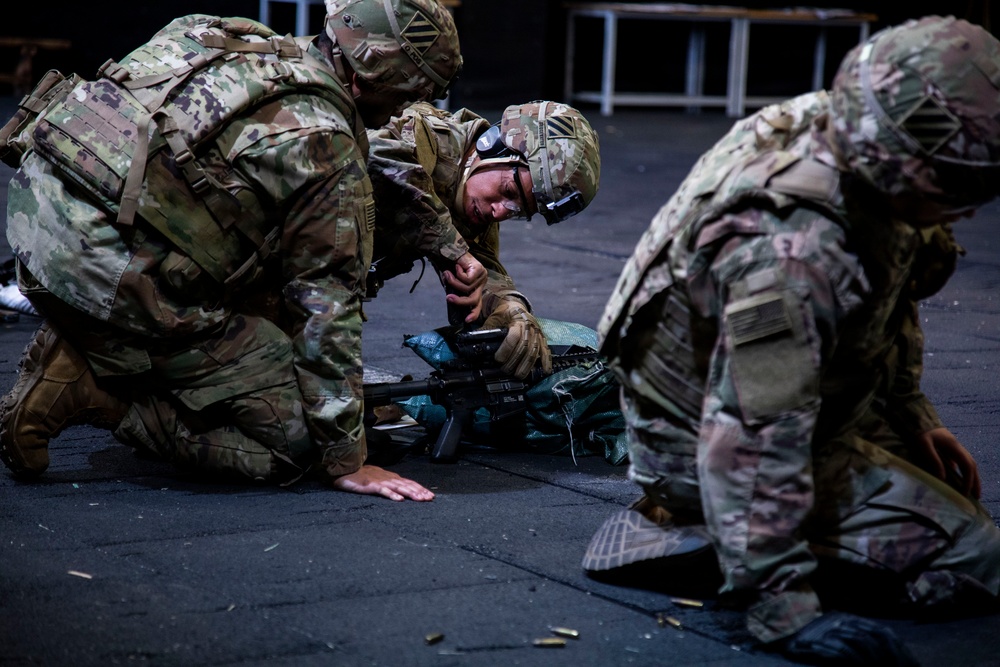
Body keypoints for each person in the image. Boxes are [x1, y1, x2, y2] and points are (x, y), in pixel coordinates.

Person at [582, 15, 1000, 665]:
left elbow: (887, 293)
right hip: (704, 439)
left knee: (942, 492)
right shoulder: (789, 250)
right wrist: (782, 607)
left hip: (783, 393)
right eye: (960, 186)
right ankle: (699, 536)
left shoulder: (852, 133)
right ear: (910, 167)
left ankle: (744, 530)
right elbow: (755, 426)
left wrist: (910, 415)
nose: (970, 208)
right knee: (975, 555)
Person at [0, 0, 462, 502]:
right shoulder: (325, 144)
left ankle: (103, 342)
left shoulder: (216, 32)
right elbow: (326, 307)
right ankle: (99, 389)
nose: (411, 107)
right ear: (374, 74)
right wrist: (346, 458)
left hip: (33, 224)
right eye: (414, 90)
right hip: (104, 281)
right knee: (295, 445)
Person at [366, 100, 601, 379]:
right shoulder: (426, 136)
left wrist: (512, 311)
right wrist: (451, 248)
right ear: (491, 145)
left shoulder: (475, 202)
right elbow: (373, 156)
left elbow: (483, 270)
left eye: (518, 211)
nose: (500, 211)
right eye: (508, 190)